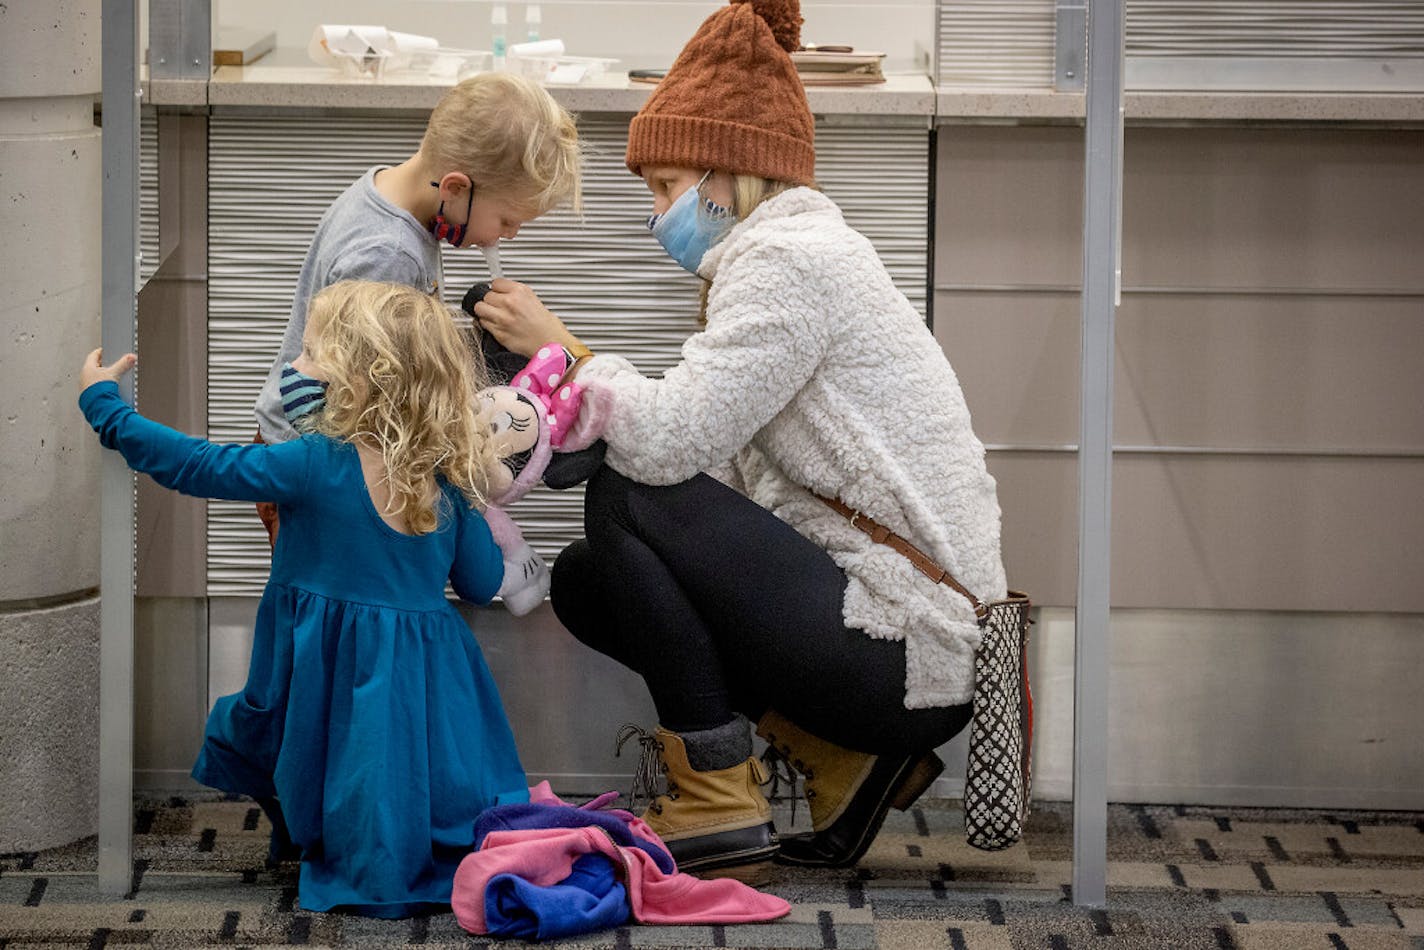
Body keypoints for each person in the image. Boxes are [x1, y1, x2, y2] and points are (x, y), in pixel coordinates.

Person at [472, 0, 1008, 878]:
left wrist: (566, 354)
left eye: (665, 187)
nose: (656, 216)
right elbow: (712, 461)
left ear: (729, 175)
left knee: (627, 494)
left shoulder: (790, 262)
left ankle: (719, 795)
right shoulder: (782, 256)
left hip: (909, 647)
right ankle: (842, 763)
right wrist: (586, 387)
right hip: (890, 627)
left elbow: (670, 446)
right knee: (588, 580)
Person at [79, 281, 531, 917]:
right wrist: (474, 493)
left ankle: (349, 857)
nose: (293, 368)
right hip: (425, 674)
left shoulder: (314, 462)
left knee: (300, 744)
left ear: (361, 378)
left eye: (310, 354)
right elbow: (482, 584)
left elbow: (199, 464)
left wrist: (106, 408)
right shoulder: (447, 481)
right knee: (386, 775)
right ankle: (383, 849)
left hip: (321, 655)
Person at [251, 71, 583, 544]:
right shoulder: (388, 254)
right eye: (508, 220)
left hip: (309, 453)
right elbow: (359, 404)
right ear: (454, 188)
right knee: (333, 606)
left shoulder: (385, 193)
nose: (508, 236)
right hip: (319, 470)